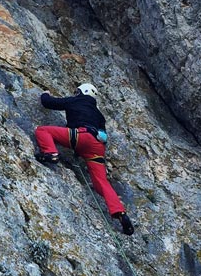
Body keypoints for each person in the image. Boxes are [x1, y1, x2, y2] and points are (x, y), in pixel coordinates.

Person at [35, 82, 134, 235]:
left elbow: (48, 103)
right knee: (101, 182)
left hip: (80, 136)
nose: (76, 94)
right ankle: (120, 213)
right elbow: (103, 135)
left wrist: (45, 93)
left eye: (77, 92)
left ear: (82, 92)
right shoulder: (99, 114)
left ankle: (51, 153)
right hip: (97, 146)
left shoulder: (76, 101)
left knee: (43, 131)